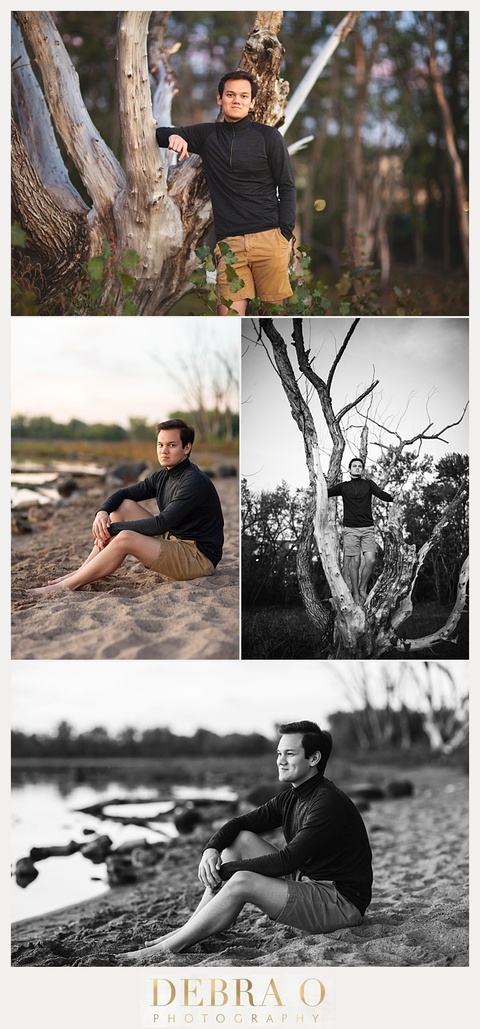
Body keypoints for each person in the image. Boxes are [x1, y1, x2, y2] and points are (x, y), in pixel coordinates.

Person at [120, 720, 372, 962]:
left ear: (314, 758)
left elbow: (287, 860)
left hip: (340, 902)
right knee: (239, 841)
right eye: (279, 753)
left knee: (243, 880)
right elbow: (239, 824)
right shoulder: (292, 797)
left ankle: (167, 948)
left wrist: (225, 871)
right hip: (308, 881)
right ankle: (192, 928)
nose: (280, 761)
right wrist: (211, 849)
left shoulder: (326, 802)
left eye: (290, 754)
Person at [156, 70, 296, 316]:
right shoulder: (209, 135)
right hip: (230, 245)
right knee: (228, 319)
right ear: (220, 98)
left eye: (244, 96)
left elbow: (286, 186)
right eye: (230, 94)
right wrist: (175, 135)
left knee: (274, 318)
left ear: (252, 102)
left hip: (270, 239)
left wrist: (284, 234)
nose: (237, 100)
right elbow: (160, 134)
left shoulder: (268, 137)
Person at [27, 419, 224, 594]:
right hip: (175, 539)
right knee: (123, 507)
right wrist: (102, 513)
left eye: (172, 445)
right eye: (160, 444)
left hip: (197, 556)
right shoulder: (164, 475)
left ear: (186, 448)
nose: (164, 451)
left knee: (125, 538)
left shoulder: (193, 482)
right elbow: (124, 493)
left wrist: (111, 530)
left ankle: (67, 586)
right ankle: (80, 573)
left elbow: (161, 524)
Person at [327, 458, 394, 603]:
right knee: (355, 562)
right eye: (354, 466)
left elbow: (381, 494)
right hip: (350, 529)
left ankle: (363, 587)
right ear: (350, 469)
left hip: (368, 528)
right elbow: (327, 493)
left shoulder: (368, 484)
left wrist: (394, 498)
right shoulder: (344, 487)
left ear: (362, 469)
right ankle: (356, 593)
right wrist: (318, 486)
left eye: (359, 466)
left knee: (370, 560)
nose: (357, 468)